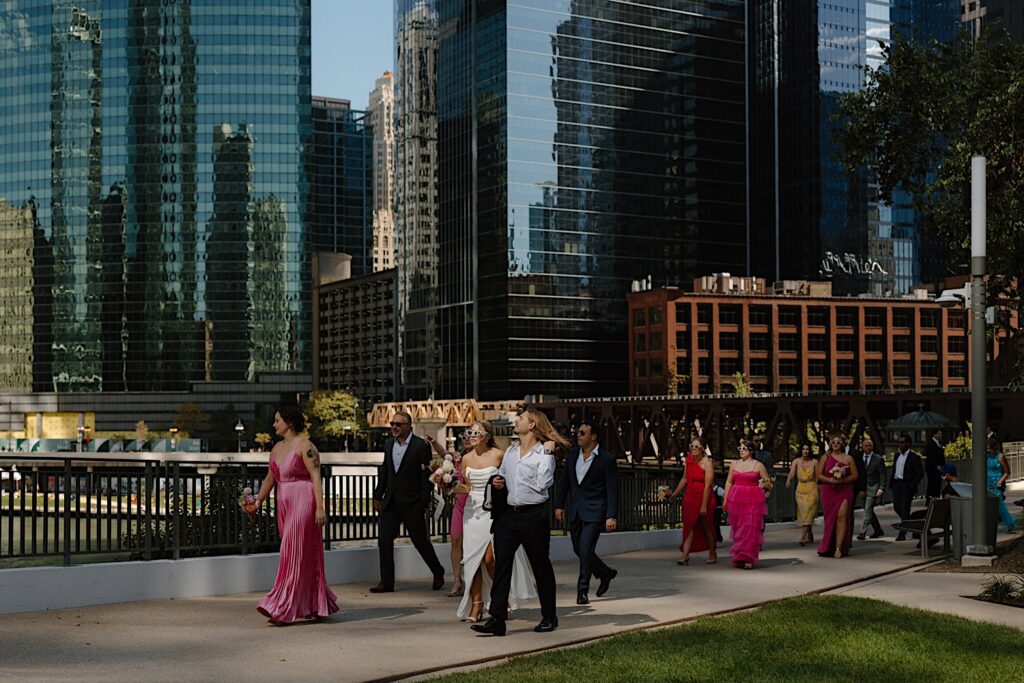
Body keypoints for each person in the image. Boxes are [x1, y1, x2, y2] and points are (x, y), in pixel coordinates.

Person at [472, 408, 570, 637]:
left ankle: (549, 616)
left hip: (533, 517)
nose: (517, 421)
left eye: (521, 418)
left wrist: (547, 455)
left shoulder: (542, 454)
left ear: (533, 424)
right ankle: (497, 619)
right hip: (508, 516)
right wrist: (498, 482)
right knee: (501, 564)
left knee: (540, 566)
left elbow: (544, 482)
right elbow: (504, 477)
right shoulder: (511, 452)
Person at [255, 406, 339, 624]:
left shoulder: (306, 446)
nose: (274, 425)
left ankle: (282, 607)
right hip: (284, 503)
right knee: (301, 554)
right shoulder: (276, 448)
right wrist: (257, 502)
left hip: (303, 501)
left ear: (289, 422)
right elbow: (269, 479)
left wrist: (320, 508)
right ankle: (313, 604)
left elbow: (315, 477)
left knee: (290, 553)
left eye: (277, 420)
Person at [455, 420, 536, 621]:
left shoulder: (499, 456)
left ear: (487, 435)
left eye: (475, 432)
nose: (471, 435)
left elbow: (511, 480)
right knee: (472, 561)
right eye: (469, 432)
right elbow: (466, 487)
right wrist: (450, 486)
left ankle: (501, 597)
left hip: (492, 511)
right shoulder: (466, 458)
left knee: (490, 559)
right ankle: (476, 606)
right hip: (472, 512)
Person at [370, 411, 446, 593]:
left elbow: (426, 477)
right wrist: (377, 495)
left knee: (420, 541)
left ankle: (437, 570)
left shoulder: (421, 446)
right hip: (390, 502)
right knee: (384, 540)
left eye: (399, 424)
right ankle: (386, 582)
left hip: (412, 503)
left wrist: (423, 502)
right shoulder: (388, 444)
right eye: (392, 424)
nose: (394, 427)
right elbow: (385, 471)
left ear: (408, 426)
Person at [554, 421, 619, 605]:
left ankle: (582, 591)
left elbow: (612, 490)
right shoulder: (573, 455)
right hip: (575, 510)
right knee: (578, 548)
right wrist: (559, 505)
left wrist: (611, 516)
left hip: (595, 512)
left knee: (585, 549)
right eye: (577, 432)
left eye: (582, 432)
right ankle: (605, 573)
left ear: (593, 437)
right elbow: (564, 481)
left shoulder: (606, 459)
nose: (578, 435)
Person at [426, 434, 469, 598]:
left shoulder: (479, 458)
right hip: (459, 506)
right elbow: (444, 454)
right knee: (456, 541)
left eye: (470, 435)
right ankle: (458, 581)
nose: (466, 438)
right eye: (464, 436)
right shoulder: (457, 458)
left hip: (476, 506)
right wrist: (434, 442)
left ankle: (476, 580)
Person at [722, 443, 771, 569]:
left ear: (751, 450)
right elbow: (729, 481)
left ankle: (749, 557)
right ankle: (739, 556)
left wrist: (765, 490)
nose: (741, 451)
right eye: (740, 448)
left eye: (744, 448)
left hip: (752, 499)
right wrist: (726, 498)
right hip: (736, 499)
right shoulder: (734, 464)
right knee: (738, 528)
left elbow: (768, 482)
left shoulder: (758, 465)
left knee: (749, 528)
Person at [670, 437, 717, 565]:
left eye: (697, 446)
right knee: (688, 525)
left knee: (706, 525)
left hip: (705, 497)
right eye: (692, 446)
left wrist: (703, 506)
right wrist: (674, 494)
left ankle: (712, 552)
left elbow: (708, 486)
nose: (694, 449)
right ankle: (685, 555)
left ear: (702, 448)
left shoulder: (707, 463)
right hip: (690, 496)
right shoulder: (689, 460)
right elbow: (684, 478)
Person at [816, 435, 858, 558]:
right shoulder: (825, 458)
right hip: (828, 491)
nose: (835, 444)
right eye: (833, 441)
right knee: (829, 520)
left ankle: (839, 548)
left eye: (838, 442)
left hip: (844, 490)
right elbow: (818, 474)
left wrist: (842, 480)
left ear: (843, 444)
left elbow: (855, 475)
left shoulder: (848, 458)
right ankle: (828, 545)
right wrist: (830, 480)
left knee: (842, 517)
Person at [891, 433, 924, 541]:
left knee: (905, 509)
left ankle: (902, 533)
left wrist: (912, 484)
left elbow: (920, 473)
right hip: (897, 484)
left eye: (902, 442)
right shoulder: (897, 456)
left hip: (907, 485)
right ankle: (912, 525)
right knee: (897, 507)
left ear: (908, 444)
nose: (900, 444)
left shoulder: (914, 457)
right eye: (899, 442)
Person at [786, 442, 818, 545]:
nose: (805, 451)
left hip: (812, 488)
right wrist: (789, 481)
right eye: (804, 449)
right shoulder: (796, 461)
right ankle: (810, 534)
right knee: (803, 512)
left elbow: (817, 477)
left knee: (809, 511)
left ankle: (803, 537)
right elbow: (792, 473)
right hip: (800, 489)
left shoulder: (814, 462)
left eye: (807, 449)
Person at [854, 437, 887, 540]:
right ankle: (878, 530)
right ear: (862, 447)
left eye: (870, 445)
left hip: (873, 487)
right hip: (862, 488)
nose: (868, 447)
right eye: (866, 446)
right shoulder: (858, 457)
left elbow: (883, 475)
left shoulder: (878, 459)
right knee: (868, 510)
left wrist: (881, 488)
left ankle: (862, 532)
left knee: (868, 510)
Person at [987, 437, 1017, 531]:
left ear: (994, 448)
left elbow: (1007, 472)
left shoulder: (1000, 456)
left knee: (1000, 504)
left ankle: (1011, 524)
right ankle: (992, 523)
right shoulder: (987, 456)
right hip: (988, 483)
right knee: (989, 505)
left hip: (997, 483)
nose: (988, 450)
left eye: (989, 448)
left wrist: (1000, 481)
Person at [924, 429, 947, 500]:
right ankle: (929, 501)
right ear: (934, 434)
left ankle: (936, 499)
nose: (941, 435)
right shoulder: (930, 444)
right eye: (939, 433)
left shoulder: (939, 443)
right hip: (932, 468)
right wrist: (937, 465)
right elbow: (930, 457)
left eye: (941, 433)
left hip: (939, 469)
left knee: (938, 484)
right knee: (932, 484)